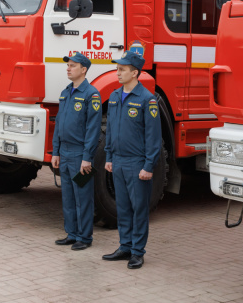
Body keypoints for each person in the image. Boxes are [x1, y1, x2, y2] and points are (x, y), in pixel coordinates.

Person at [102, 50, 161, 270]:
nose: (117, 73)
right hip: (117, 161)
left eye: (122, 69)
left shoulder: (147, 100)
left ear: (135, 73)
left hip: (137, 164)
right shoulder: (115, 96)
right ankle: (124, 247)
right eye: (117, 68)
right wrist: (108, 156)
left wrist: (148, 165)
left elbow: (153, 137)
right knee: (123, 208)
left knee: (138, 209)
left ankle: (137, 252)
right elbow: (109, 130)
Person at [51, 52, 101, 251]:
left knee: (83, 198)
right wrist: (56, 151)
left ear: (84, 69)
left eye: (73, 65)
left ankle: (85, 237)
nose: (68, 68)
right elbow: (58, 125)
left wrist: (87, 158)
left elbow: (93, 130)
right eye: (68, 65)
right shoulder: (65, 92)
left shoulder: (91, 95)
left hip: (81, 155)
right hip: (65, 154)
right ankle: (71, 234)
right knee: (68, 197)